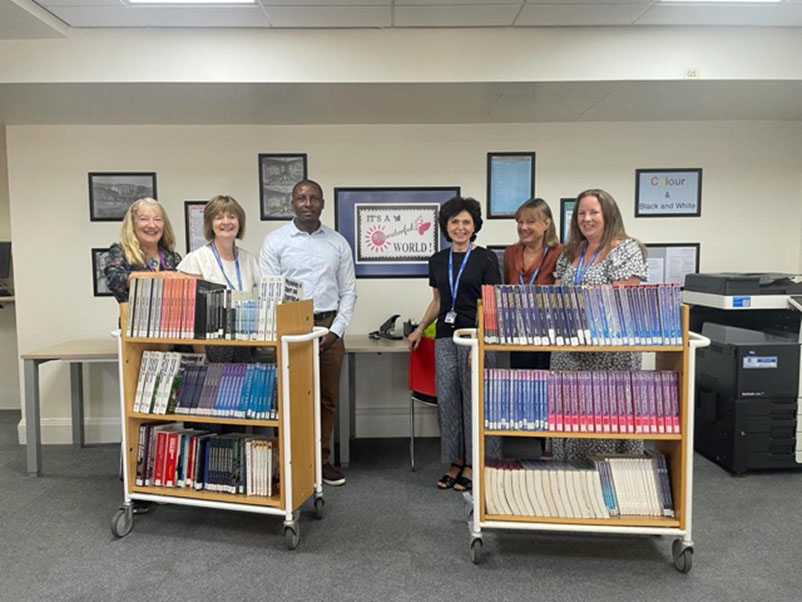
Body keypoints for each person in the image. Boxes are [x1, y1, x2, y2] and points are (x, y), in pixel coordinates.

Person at [259, 179, 357, 487]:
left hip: (329, 328)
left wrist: (336, 330)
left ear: (322, 204)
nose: (308, 203)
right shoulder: (275, 241)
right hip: (292, 331)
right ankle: (289, 462)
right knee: (289, 400)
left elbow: (348, 292)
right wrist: (287, 329)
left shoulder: (338, 243)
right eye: (301, 198)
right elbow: (270, 291)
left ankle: (321, 461)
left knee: (326, 399)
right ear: (292, 203)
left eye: (314, 198)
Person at [407, 196, 501, 491]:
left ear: (474, 226)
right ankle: (455, 460)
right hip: (446, 337)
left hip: (475, 337)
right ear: (446, 226)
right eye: (454, 222)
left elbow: (491, 304)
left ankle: (475, 462)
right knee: (447, 401)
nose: (460, 227)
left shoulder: (486, 259)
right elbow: (438, 301)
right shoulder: (437, 260)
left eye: (466, 222)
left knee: (475, 402)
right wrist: (420, 329)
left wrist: (481, 342)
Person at [550, 188, 648, 462]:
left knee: (602, 423)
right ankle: (570, 479)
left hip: (608, 354)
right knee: (570, 419)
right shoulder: (571, 251)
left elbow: (622, 302)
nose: (586, 219)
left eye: (594, 212)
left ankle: (604, 483)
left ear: (609, 215)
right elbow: (556, 295)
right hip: (568, 351)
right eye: (581, 213)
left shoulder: (626, 249)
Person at [177, 195, 260, 362]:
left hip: (245, 343)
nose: (226, 222)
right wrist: (202, 356)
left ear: (240, 222)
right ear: (210, 223)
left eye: (232, 216)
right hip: (210, 345)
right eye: (219, 217)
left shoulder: (249, 260)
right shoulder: (196, 259)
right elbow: (191, 316)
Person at [503, 197, 563, 370]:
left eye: (530, 222)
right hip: (519, 332)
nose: (523, 227)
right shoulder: (510, 253)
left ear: (546, 224)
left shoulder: (560, 252)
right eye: (520, 222)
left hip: (550, 333)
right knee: (521, 380)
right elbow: (506, 289)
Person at [104, 198, 182, 303]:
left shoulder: (173, 258)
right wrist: (163, 276)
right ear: (133, 224)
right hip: (133, 313)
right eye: (144, 219)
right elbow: (115, 280)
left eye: (157, 220)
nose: (152, 225)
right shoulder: (121, 252)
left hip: (171, 313)